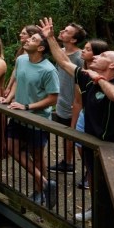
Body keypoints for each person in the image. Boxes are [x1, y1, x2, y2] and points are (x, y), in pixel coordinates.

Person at [39, 19, 114, 221]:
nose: (97, 56)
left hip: (110, 148)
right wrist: (51, 38)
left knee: (113, 188)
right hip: (90, 142)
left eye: (103, 55)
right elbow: (63, 62)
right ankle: (97, 210)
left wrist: (100, 80)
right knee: (93, 178)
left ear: (113, 65)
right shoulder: (87, 77)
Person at [0, 32, 59, 207]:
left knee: (38, 156)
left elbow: (53, 98)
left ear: (40, 48)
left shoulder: (48, 70)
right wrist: (8, 98)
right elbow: (18, 80)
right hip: (18, 115)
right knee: (11, 148)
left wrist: (27, 107)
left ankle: (40, 192)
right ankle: (46, 183)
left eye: (33, 39)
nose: (27, 40)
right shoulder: (21, 60)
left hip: (37, 119)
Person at [73, 39, 110, 196]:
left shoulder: (109, 79)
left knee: (96, 158)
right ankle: (89, 173)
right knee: (83, 151)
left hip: (98, 124)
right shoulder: (81, 72)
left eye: (87, 49)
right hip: (83, 116)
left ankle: (99, 186)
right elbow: (78, 101)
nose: (82, 50)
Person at [47, 23, 86, 173]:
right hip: (62, 100)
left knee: (78, 137)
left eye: (67, 31)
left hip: (75, 102)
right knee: (66, 133)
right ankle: (67, 162)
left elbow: (82, 82)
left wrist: (79, 104)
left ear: (74, 39)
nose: (62, 31)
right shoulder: (61, 52)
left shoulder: (80, 57)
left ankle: (89, 170)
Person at [2, 24, 41, 100]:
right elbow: (16, 70)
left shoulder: (32, 54)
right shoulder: (22, 50)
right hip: (15, 85)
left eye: (24, 33)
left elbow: (21, 76)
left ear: (31, 35)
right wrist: (9, 86)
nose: (20, 35)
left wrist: (11, 92)